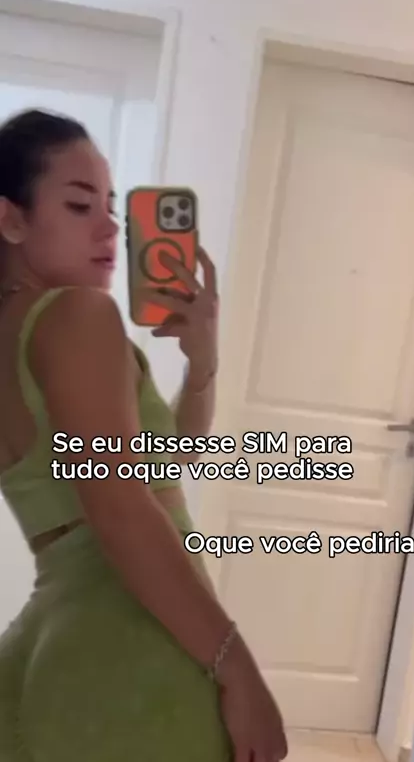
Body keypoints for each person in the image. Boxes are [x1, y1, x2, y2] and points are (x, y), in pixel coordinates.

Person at [0, 109, 287, 762]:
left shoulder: (14, 334)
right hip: (131, 643)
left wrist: (202, 364)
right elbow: (123, 508)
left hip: (44, 644)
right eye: (80, 206)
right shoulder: (78, 313)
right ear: (10, 220)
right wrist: (237, 670)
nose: (110, 228)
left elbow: (160, 468)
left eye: (111, 205)